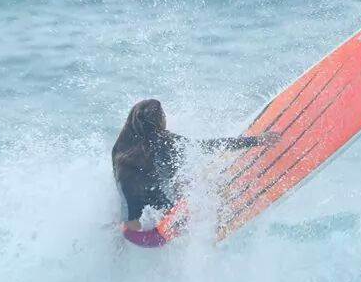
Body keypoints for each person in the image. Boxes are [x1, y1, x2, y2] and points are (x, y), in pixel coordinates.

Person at [112, 98, 279, 246]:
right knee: (186, 178)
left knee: (151, 179)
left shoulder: (119, 147)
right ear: (158, 120)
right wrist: (257, 140)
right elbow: (207, 146)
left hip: (131, 226)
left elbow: (128, 191)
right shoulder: (162, 141)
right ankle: (210, 223)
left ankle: (117, 243)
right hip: (159, 225)